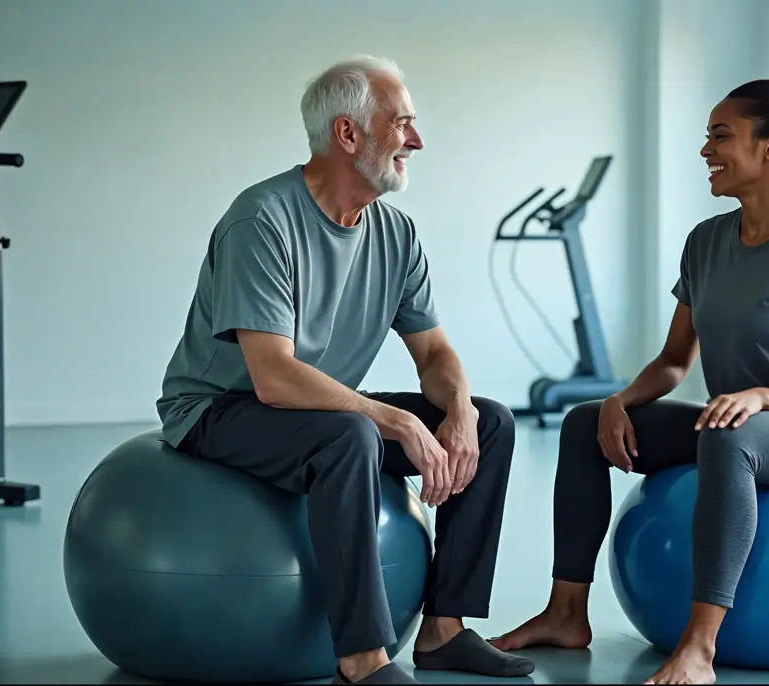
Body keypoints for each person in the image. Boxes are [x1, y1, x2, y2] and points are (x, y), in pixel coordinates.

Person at [156, 56, 534, 685]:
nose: (416, 140)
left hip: (317, 409)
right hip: (220, 407)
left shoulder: (396, 232)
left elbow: (434, 355)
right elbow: (273, 377)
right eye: (402, 124)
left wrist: (459, 412)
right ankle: (362, 660)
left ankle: (445, 631)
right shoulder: (263, 220)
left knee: (489, 423)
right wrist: (395, 423)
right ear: (348, 134)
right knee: (351, 434)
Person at [490, 79, 769, 684]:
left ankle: (699, 649)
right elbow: (674, 360)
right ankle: (566, 613)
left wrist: (761, 396)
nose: (705, 151)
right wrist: (620, 400)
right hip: (736, 420)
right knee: (584, 421)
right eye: (706, 137)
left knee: (729, 438)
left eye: (721, 136)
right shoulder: (706, 241)